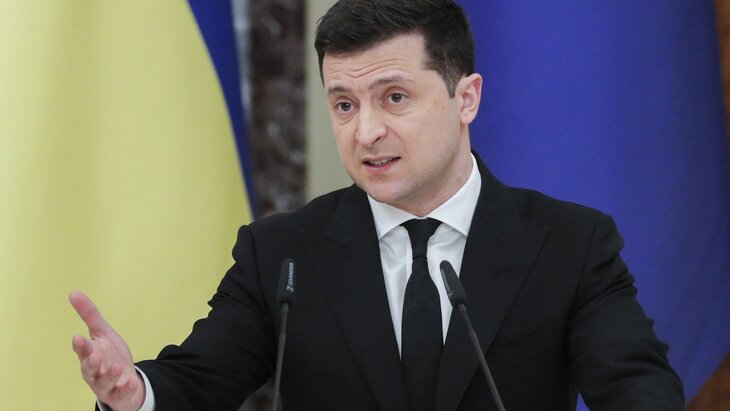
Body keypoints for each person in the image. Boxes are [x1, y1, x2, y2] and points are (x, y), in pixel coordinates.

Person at [70, 0, 685, 409]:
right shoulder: (282, 254)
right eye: (344, 104)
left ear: (466, 98)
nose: (365, 132)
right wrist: (134, 393)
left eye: (394, 97)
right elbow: (199, 381)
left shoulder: (569, 244)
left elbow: (637, 389)